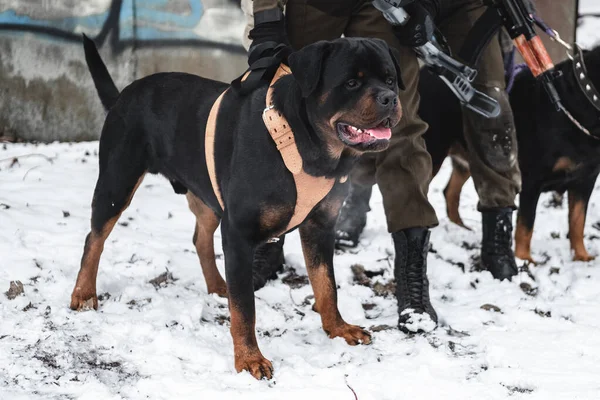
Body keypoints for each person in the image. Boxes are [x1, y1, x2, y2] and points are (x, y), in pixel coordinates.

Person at [244, 0, 441, 332]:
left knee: (400, 128)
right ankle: (269, 242)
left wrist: (425, 4)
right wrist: (266, 18)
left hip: (390, 7)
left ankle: (411, 279)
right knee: (282, 110)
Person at [336, 0, 524, 282]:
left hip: (467, 5)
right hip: (389, 5)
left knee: (493, 113)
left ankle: (497, 238)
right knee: (385, 107)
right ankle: (357, 195)